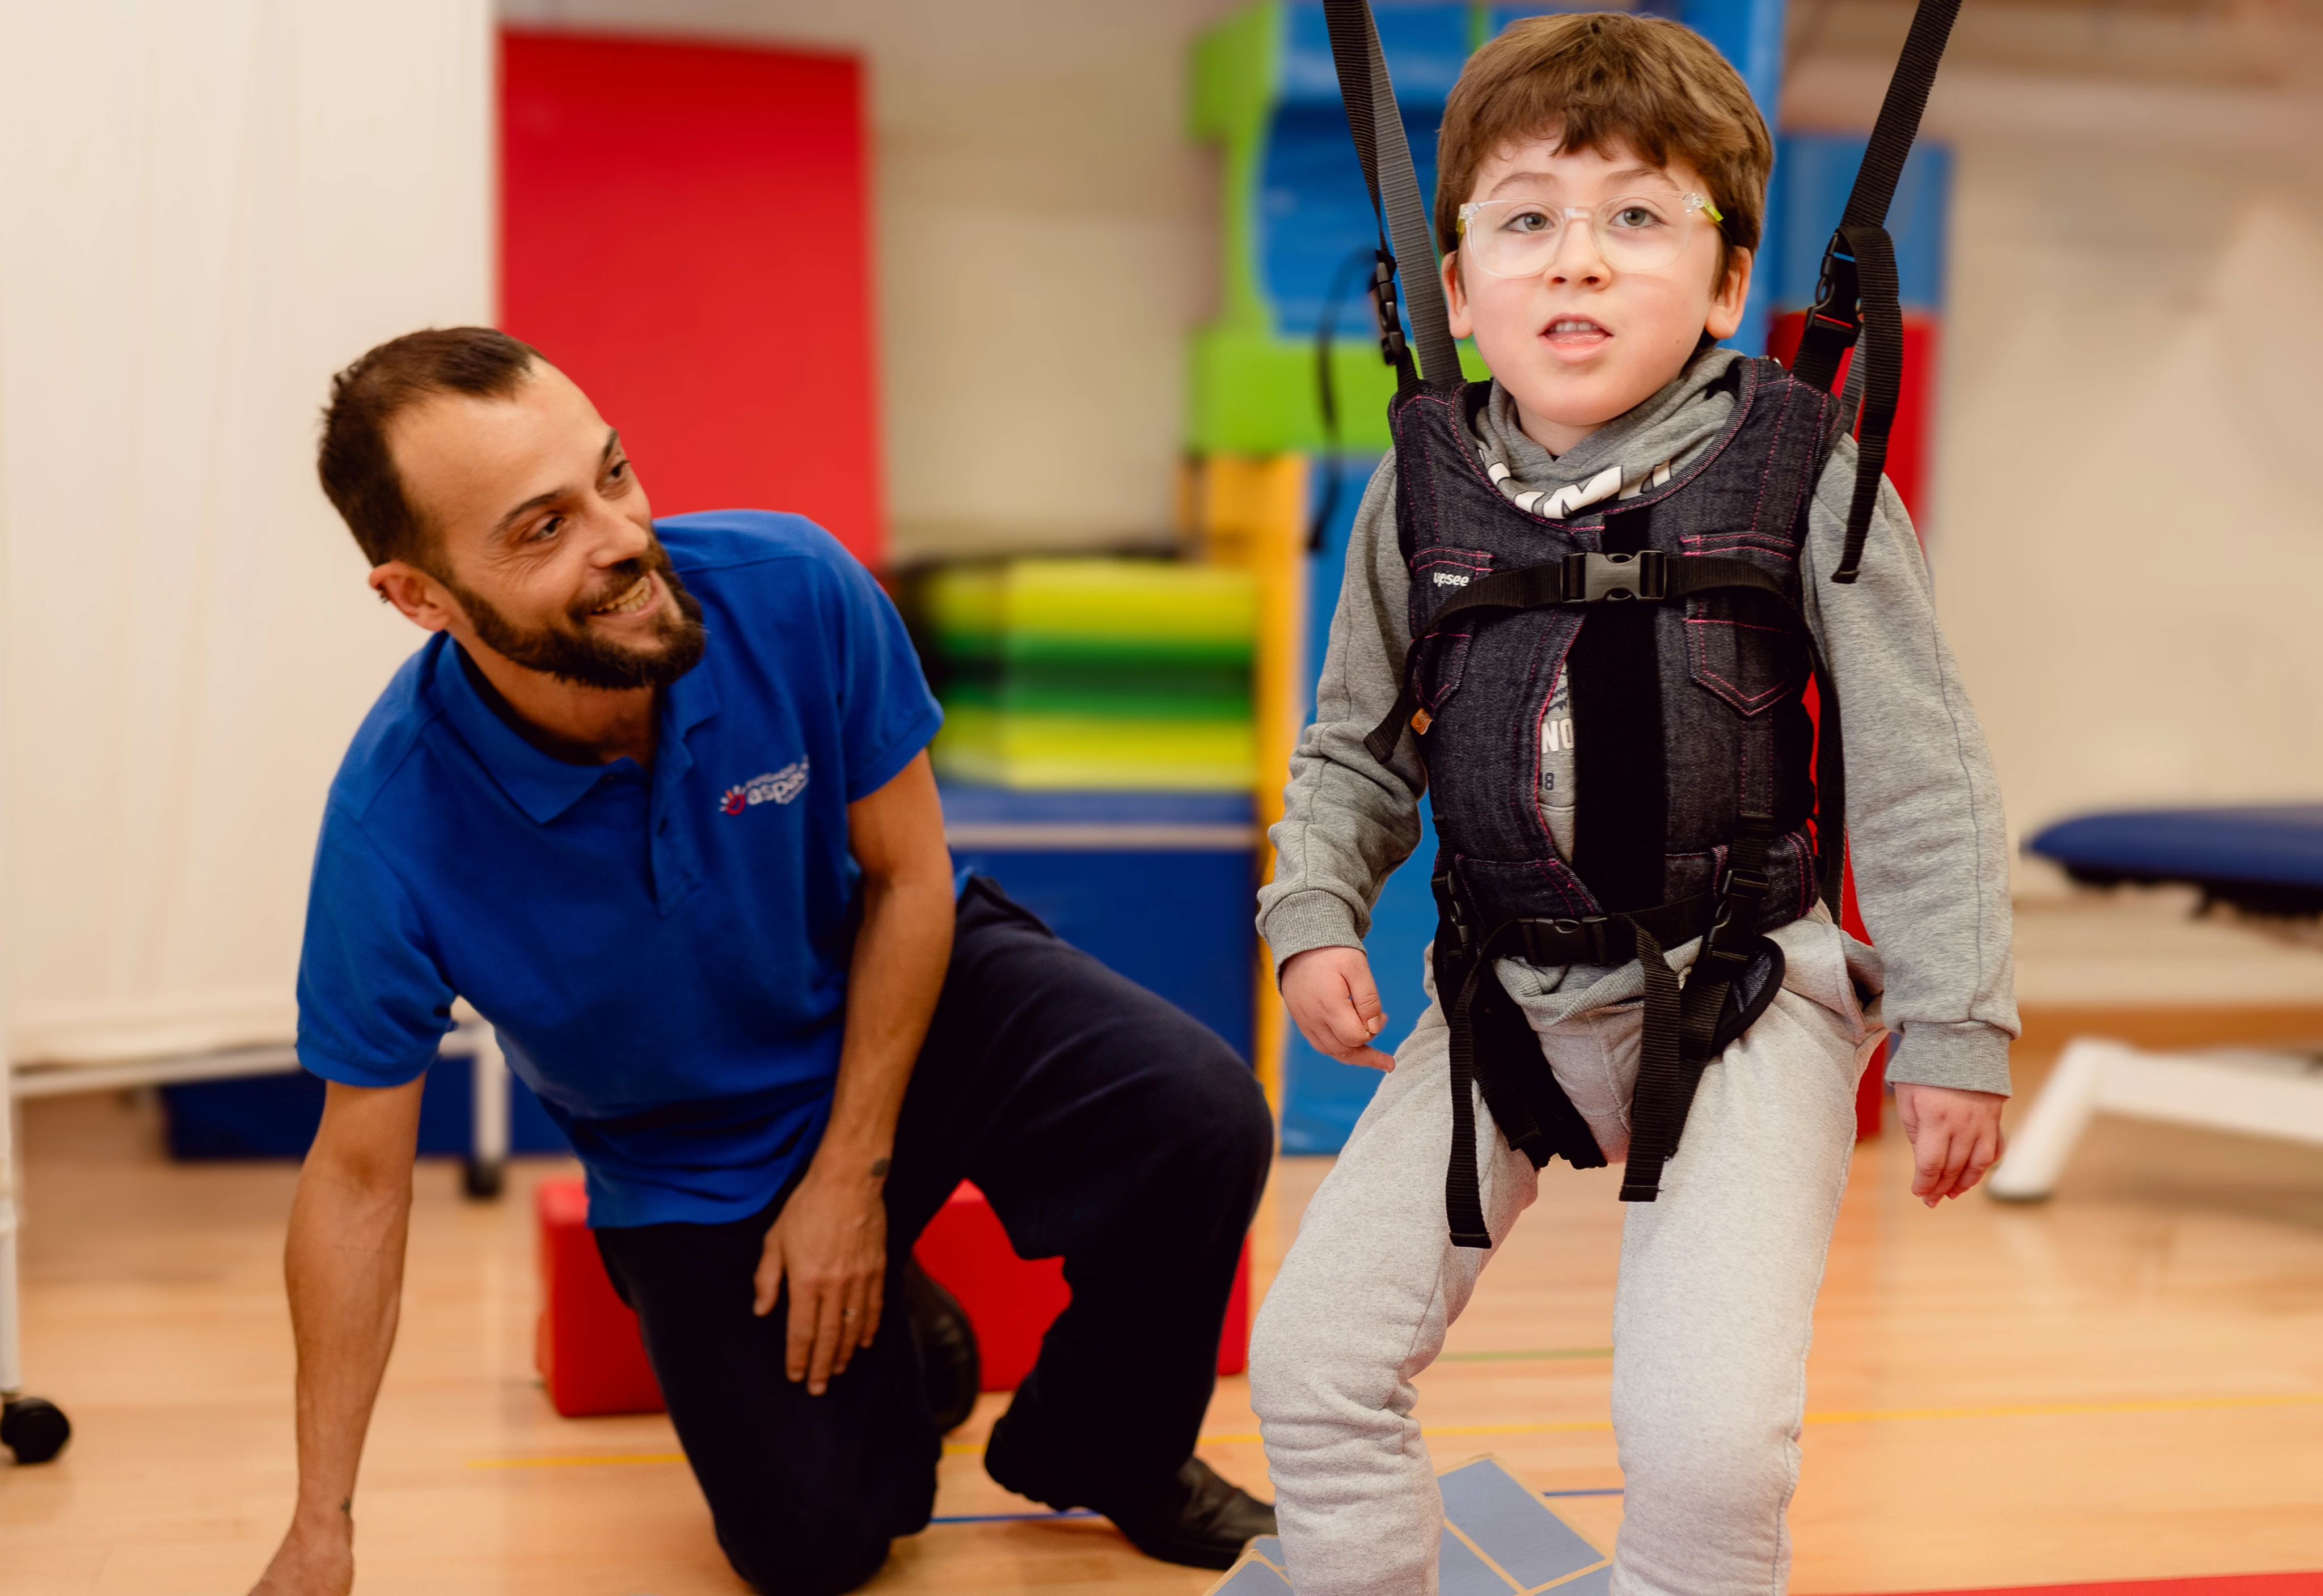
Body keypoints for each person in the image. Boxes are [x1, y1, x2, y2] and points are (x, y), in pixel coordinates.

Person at [248, 328, 1275, 1596]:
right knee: (821, 1545)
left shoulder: (789, 585)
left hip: (907, 988)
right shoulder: (391, 824)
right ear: (419, 597)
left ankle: (1103, 1447)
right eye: (539, 530)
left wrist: (851, 1175)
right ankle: (906, 1329)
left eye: (611, 476)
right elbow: (357, 1182)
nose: (620, 537)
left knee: (1197, 1112)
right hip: (691, 1148)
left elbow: (906, 877)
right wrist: (320, 1529)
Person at [1248, 14, 2016, 1594]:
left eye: (1636, 219)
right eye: (1527, 220)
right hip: (1504, 1001)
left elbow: (1923, 766)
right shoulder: (1424, 478)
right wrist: (1311, 906)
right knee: (1311, 1365)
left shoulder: (1802, 466)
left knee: (1710, 1441)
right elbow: (1350, 743)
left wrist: (1955, 1021)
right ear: (1456, 287)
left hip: (1745, 997)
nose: (1577, 263)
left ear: (1730, 284)